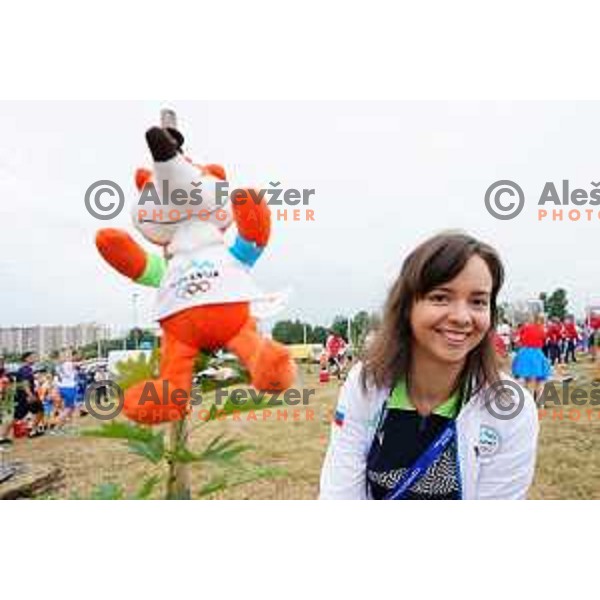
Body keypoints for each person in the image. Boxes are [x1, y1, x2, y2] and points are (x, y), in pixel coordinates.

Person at [320, 232, 538, 500]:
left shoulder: (511, 408)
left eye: (478, 301)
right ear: (406, 307)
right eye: (440, 297)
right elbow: (339, 495)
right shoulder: (365, 383)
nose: (461, 317)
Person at [512, 315, 551, 401]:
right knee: (540, 378)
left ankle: (528, 400)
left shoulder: (526, 328)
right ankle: (539, 401)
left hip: (525, 353)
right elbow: (545, 341)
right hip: (537, 354)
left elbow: (517, 339)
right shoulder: (542, 330)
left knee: (527, 379)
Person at [13, 352, 45, 438]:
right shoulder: (24, 370)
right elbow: (25, 384)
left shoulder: (28, 369)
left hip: (27, 395)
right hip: (26, 396)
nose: (34, 359)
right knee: (17, 416)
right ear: (26, 359)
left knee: (39, 410)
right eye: (32, 357)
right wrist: (30, 395)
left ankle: (33, 431)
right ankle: (3, 435)